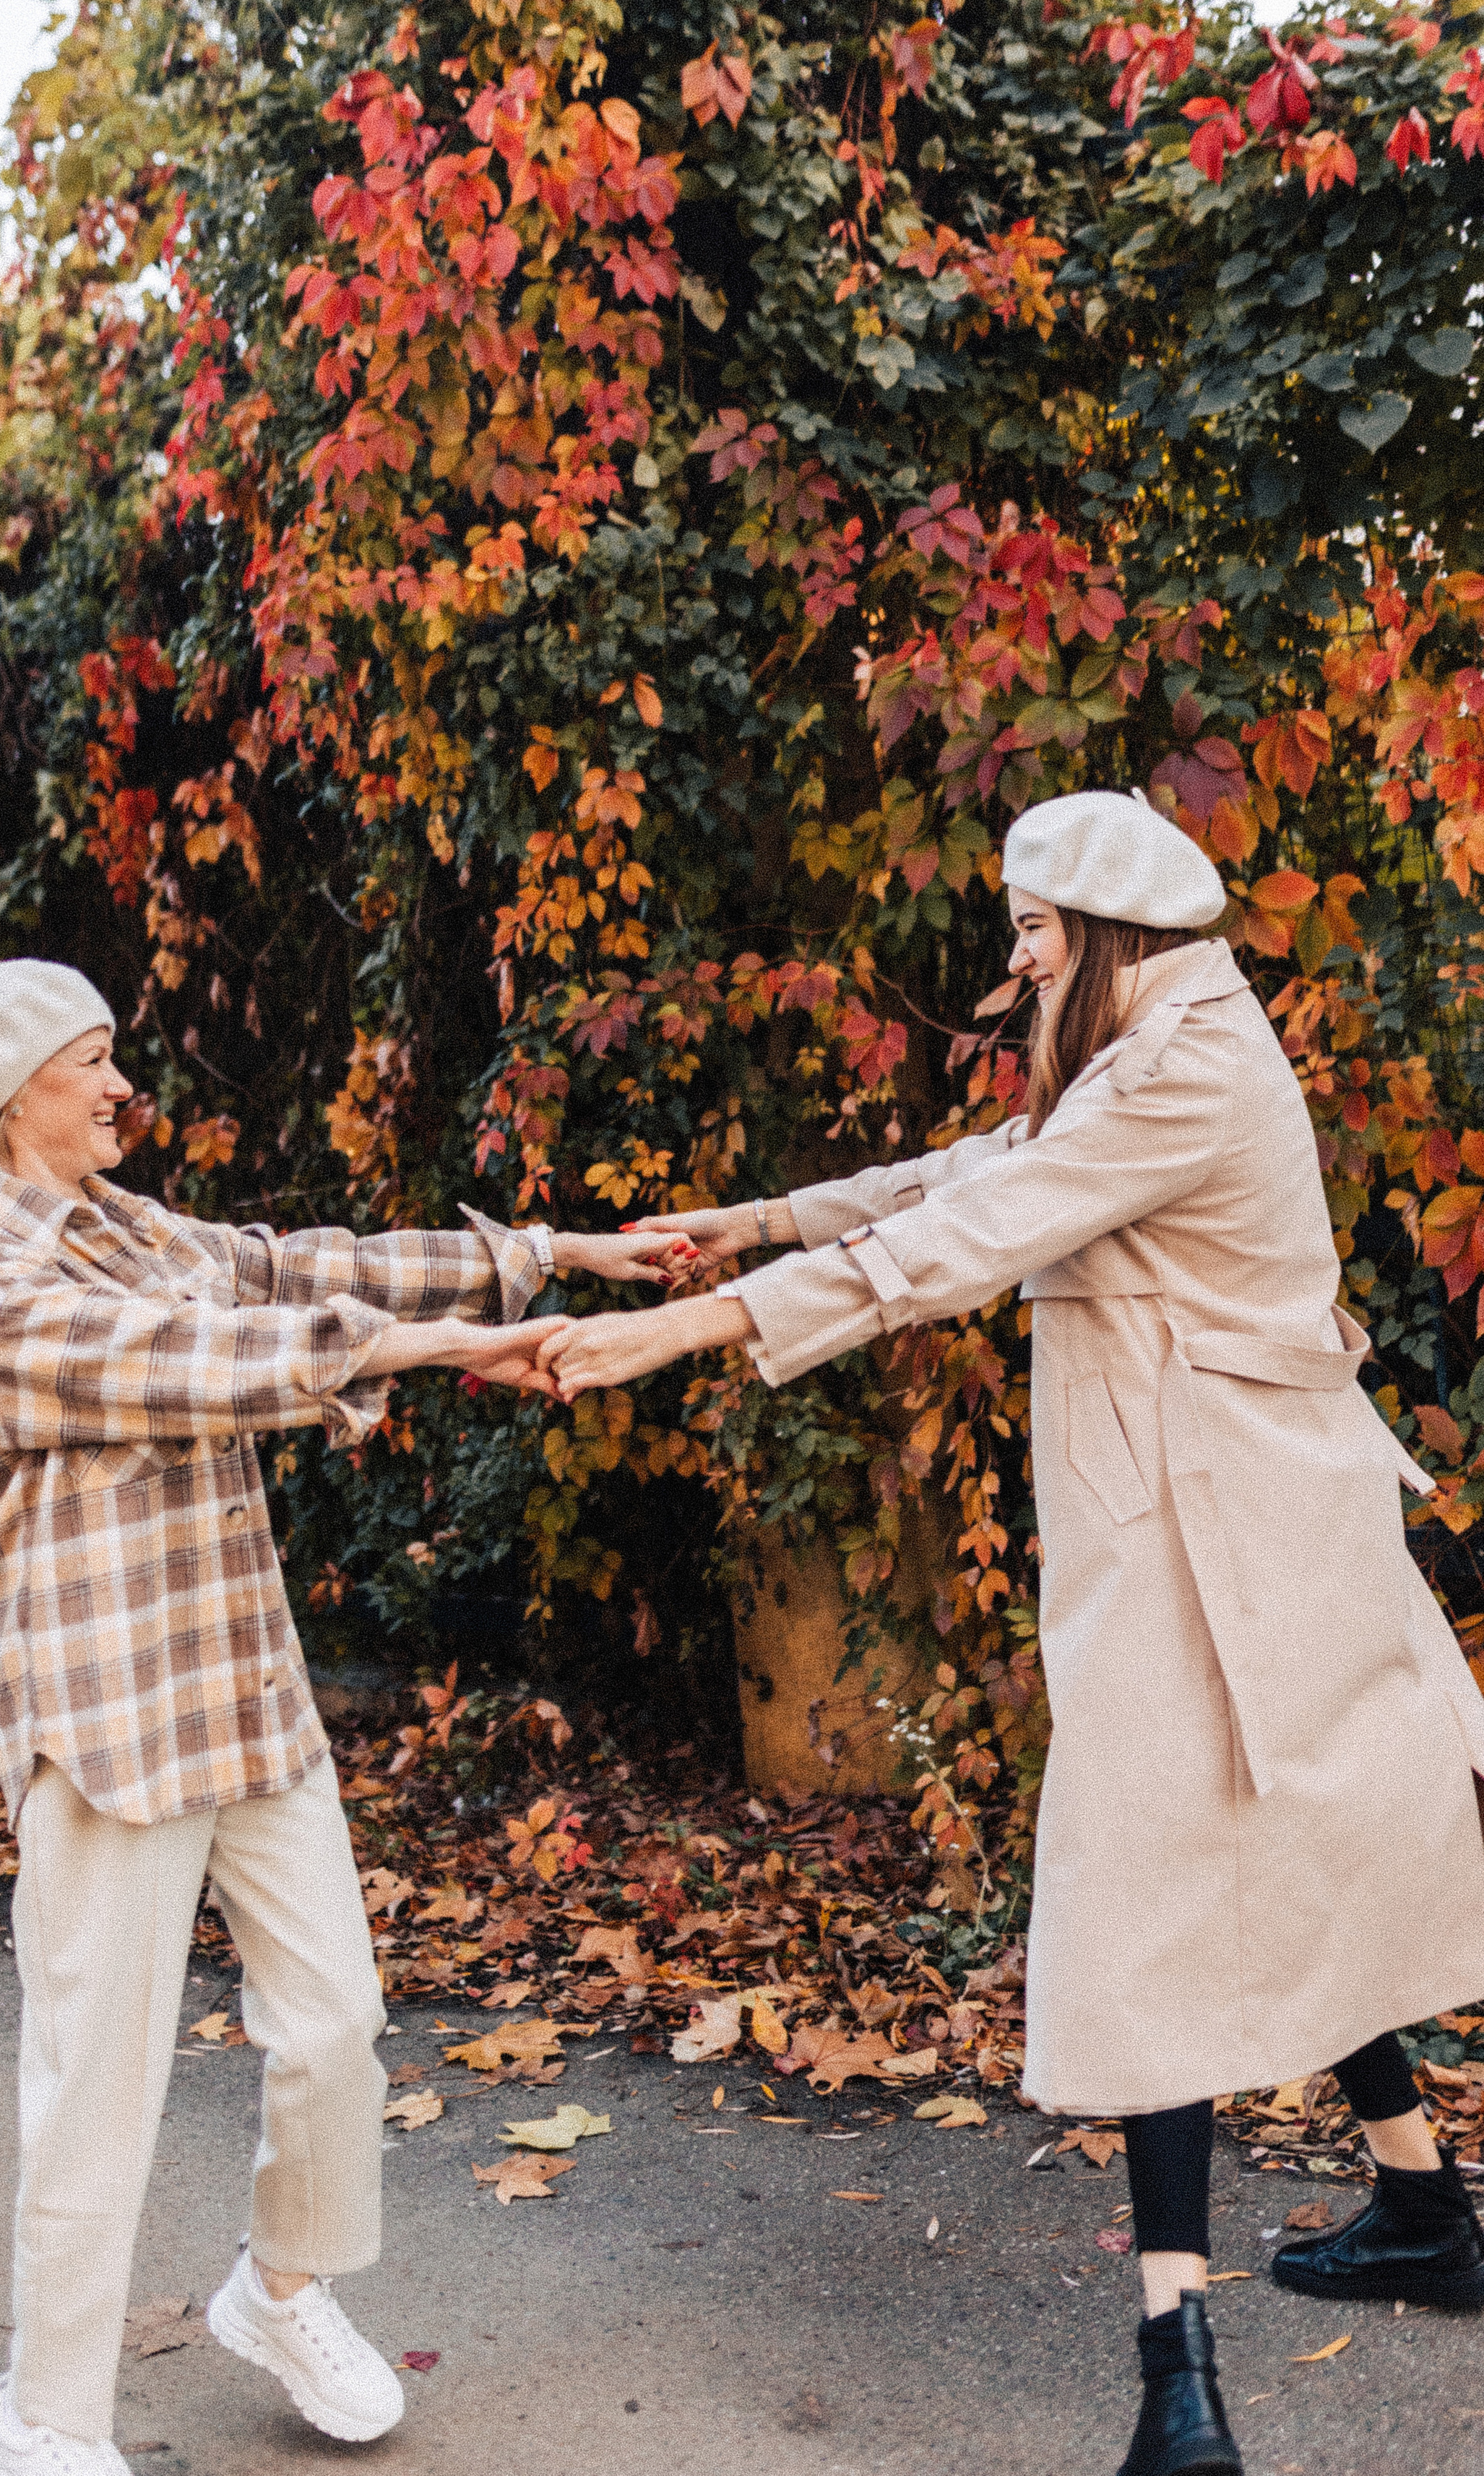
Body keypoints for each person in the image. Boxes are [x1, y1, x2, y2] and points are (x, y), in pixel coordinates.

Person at [537, 791, 1484, 2476]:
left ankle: (1173, 2383)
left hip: (1225, 1550)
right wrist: (750, 1230)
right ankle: (1422, 2213)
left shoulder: (1179, 1069)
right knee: (1283, 1856)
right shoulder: (1149, 1049)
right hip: (1216, 1539)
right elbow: (962, 1173)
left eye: (1031, 926)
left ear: (1100, 927)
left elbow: (961, 1244)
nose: (1013, 954)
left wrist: (680, 1331)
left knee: (1148, 1906)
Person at [0, 959, 673, 2476]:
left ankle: (277, 2289)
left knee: (333, 2025)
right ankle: (46, 2420)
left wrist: (550, 1252)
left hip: (243, 1691)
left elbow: (307, 1266)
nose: (123, 1086)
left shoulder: (141, 1230)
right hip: (109, 1720)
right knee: (97, 2089)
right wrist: (451, 1356)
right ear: (13, 1103)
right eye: (92, 1062)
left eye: (117, 1054)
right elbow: (198, 1366)